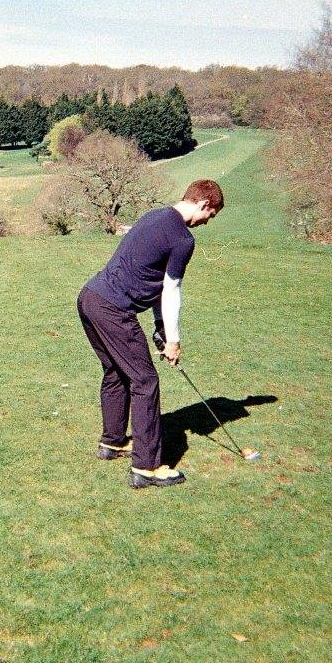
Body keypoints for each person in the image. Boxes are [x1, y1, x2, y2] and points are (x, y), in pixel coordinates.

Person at [77, 179, 223, 489]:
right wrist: (174, 340)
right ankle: (147, 467)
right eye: (210, 215)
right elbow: (171, 289)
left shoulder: (155, 216)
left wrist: (159, 325)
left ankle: (113, 442)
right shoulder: (183, 239)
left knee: (116, 371)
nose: (207, 222)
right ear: (203, 204)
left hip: (90, 298)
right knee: (145, 381)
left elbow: (154, 278)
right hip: (113, 309)